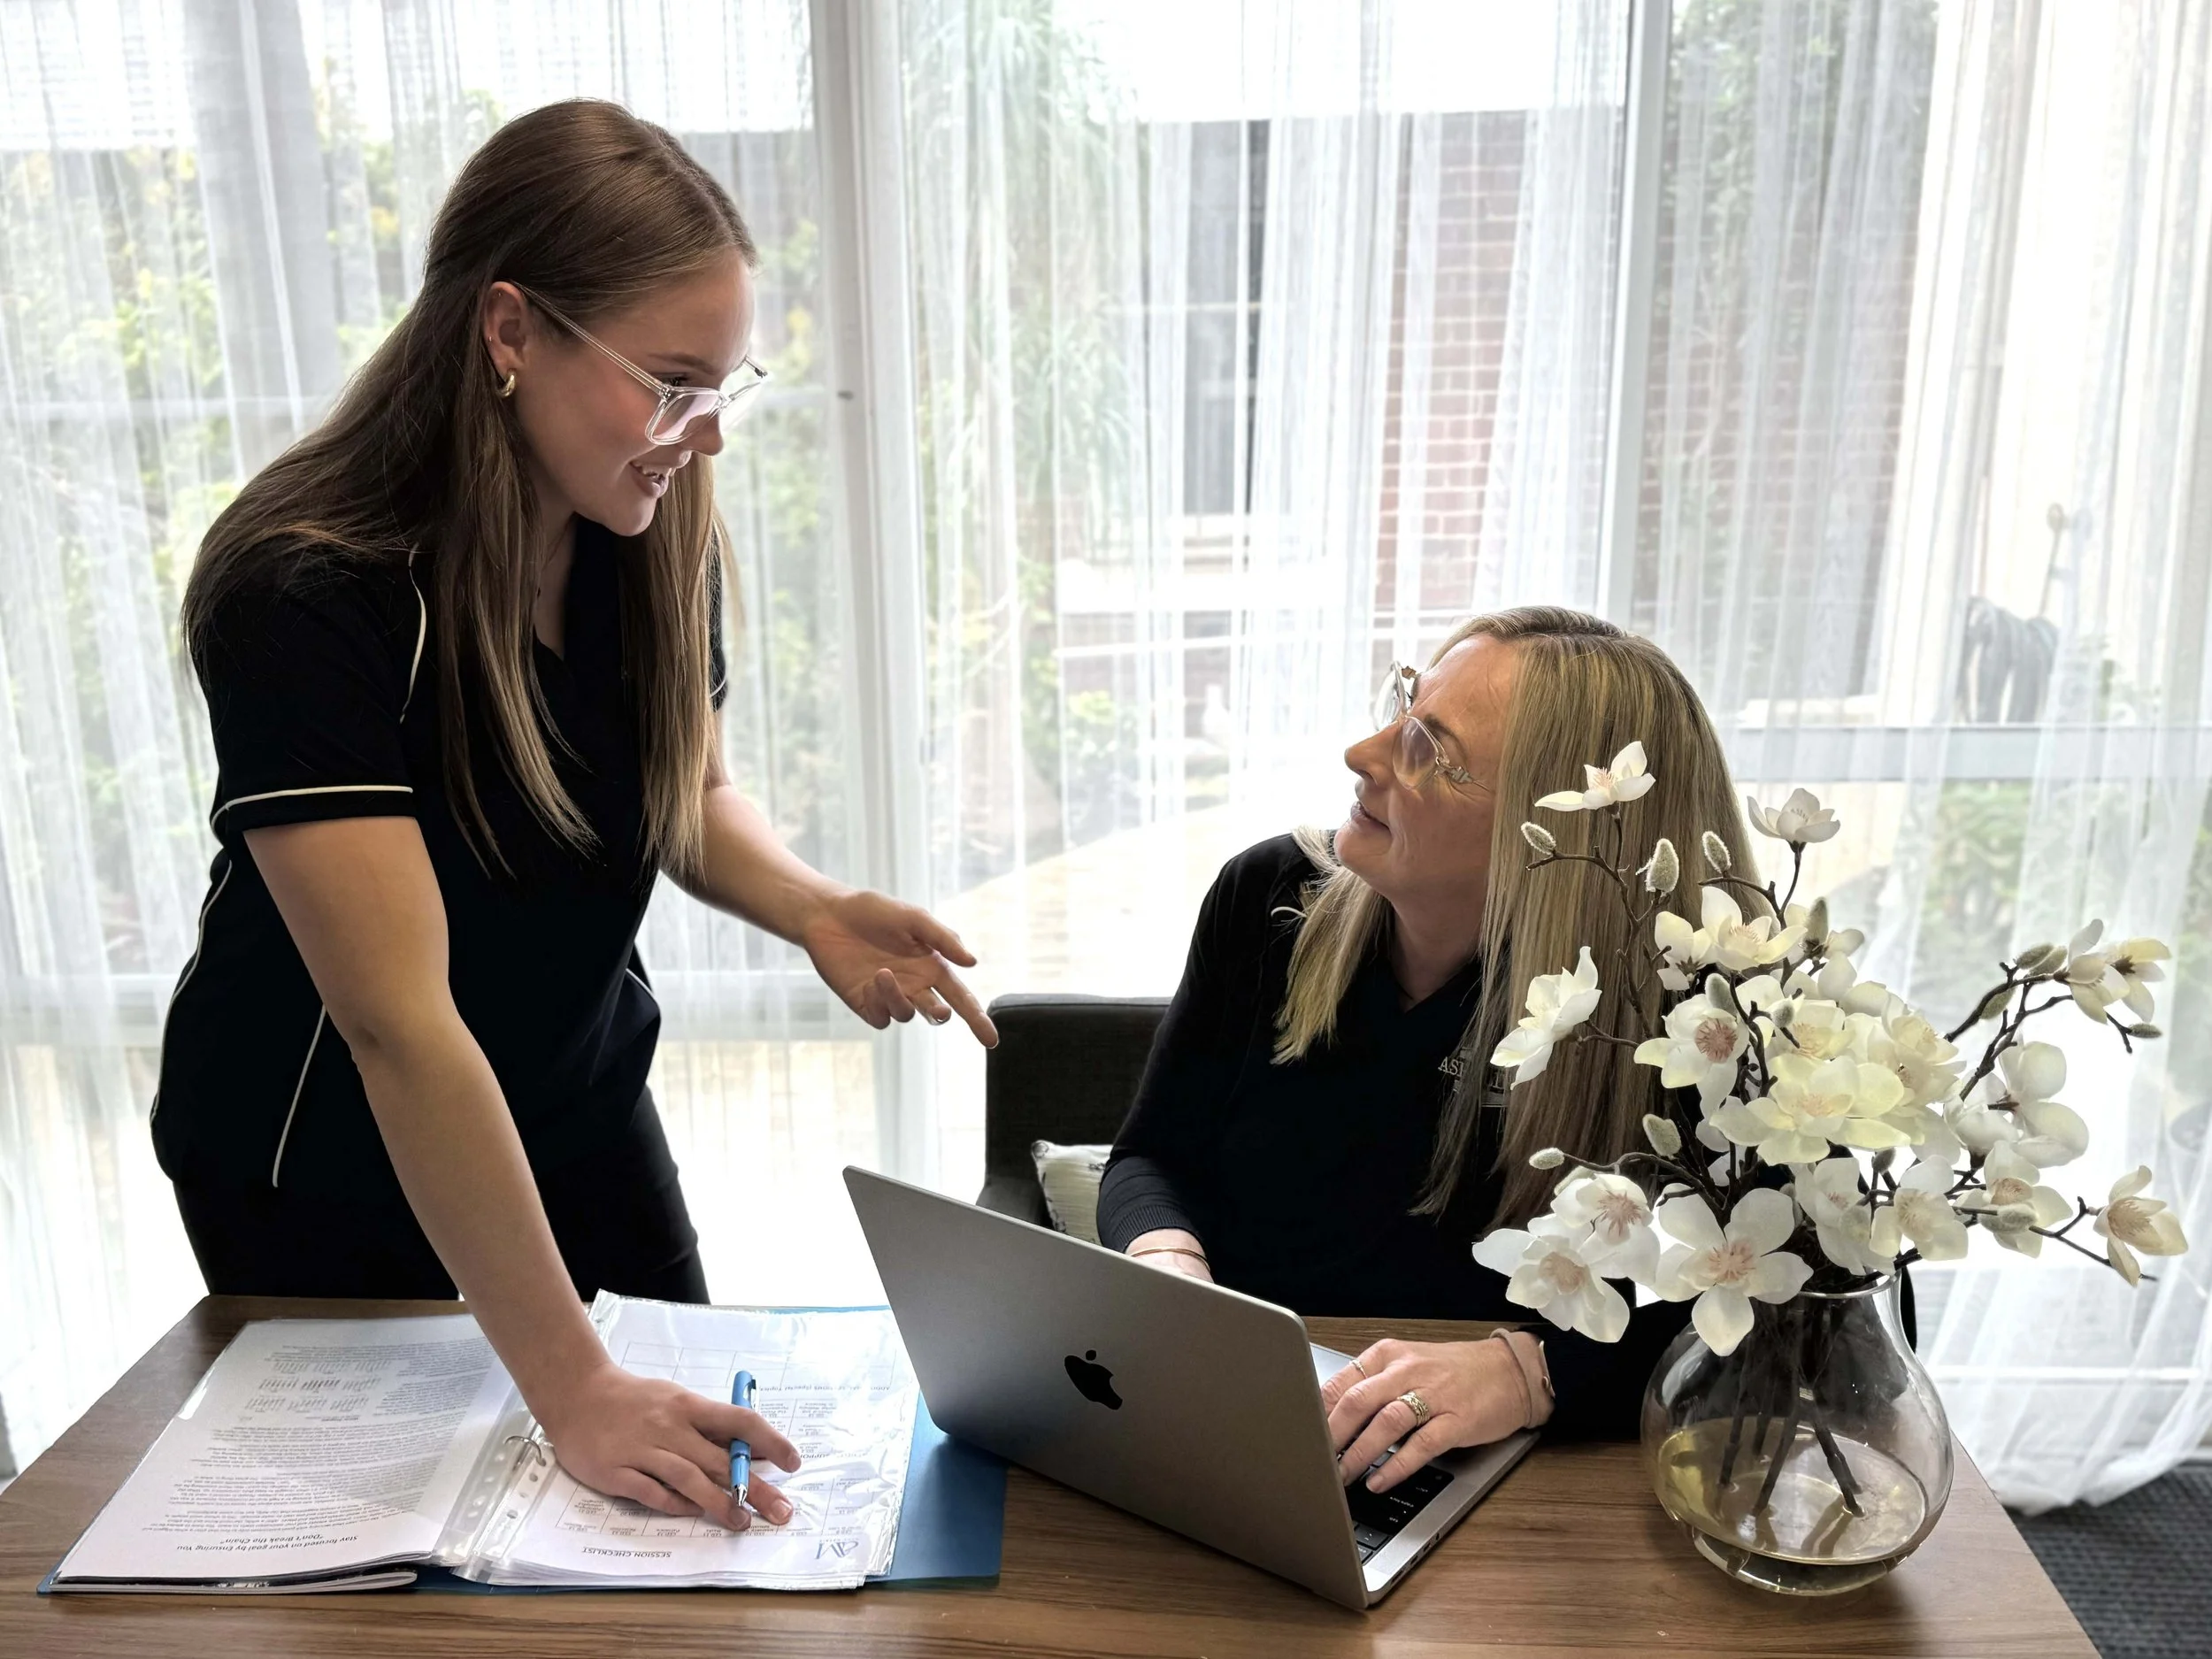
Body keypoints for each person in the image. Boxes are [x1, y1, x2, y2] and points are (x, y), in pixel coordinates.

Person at [154, 99, 994, 1534]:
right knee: (429, 1571)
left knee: (682, 1506)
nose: (706, 436)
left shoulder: (640, 529)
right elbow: (396, 1028)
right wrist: (570, 1386)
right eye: (673, 382)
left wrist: (807, 905)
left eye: (726, 385)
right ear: (509, 333)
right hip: (327, 1151)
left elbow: (691, 793)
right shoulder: (309, 591)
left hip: (576, 1096)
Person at [1098, 608, 1756, 1494]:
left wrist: (1532, 1374)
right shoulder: (1266, 898)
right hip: (1257, 1434)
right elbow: (1152, 1156)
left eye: (1425, 751)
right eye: (1400, 705)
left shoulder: (1698, 1016)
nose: (1362, 754)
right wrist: (1169, 1267)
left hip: (1541, 1496)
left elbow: (1788, 1309)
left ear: (1560, 836)